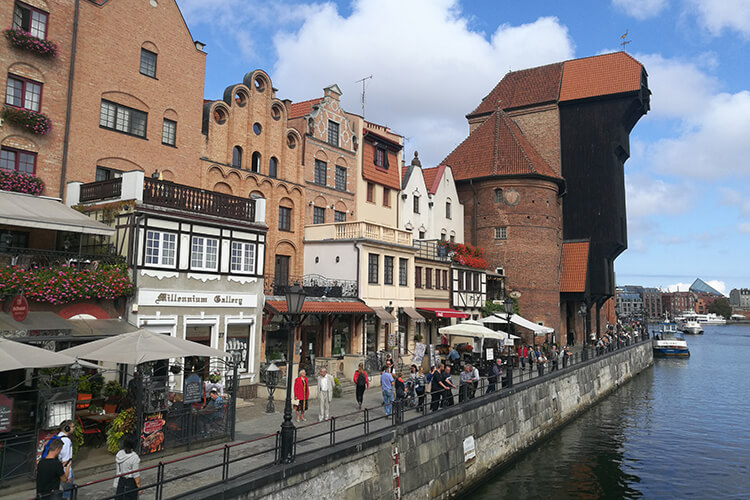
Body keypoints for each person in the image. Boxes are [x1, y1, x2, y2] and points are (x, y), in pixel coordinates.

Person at [56, 420, 75, 499]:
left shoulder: (58, 437)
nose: (74, 428)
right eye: (73, 427)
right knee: (67, 493)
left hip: (57, 468)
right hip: (65, 471)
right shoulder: (66, 441)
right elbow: (66, 460)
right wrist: (68, 476)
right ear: (67, 428)